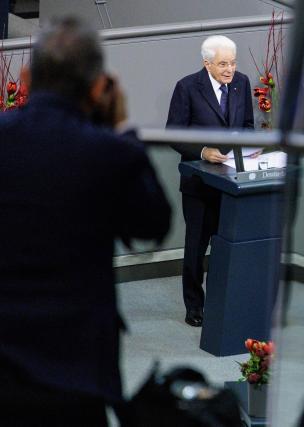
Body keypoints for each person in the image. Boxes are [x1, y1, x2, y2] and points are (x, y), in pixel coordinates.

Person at [0, 17, 171, 425]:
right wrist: (124, 128)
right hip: (74, 373)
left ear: (25, 77)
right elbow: (153, 224)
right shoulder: (111, 154)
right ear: (98, 88)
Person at [166, 35, 254, 327]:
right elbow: (173, 134)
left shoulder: (241, 84)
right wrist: (203, 152)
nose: (230, 69)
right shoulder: (187, 87)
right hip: (199, 184)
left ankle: (220, 302)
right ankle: (194, 306)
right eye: (223, 64)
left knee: (225, 246)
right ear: (207, 64)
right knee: (196, 247)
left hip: (231, 182)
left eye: (233, 62)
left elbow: (249, 127)